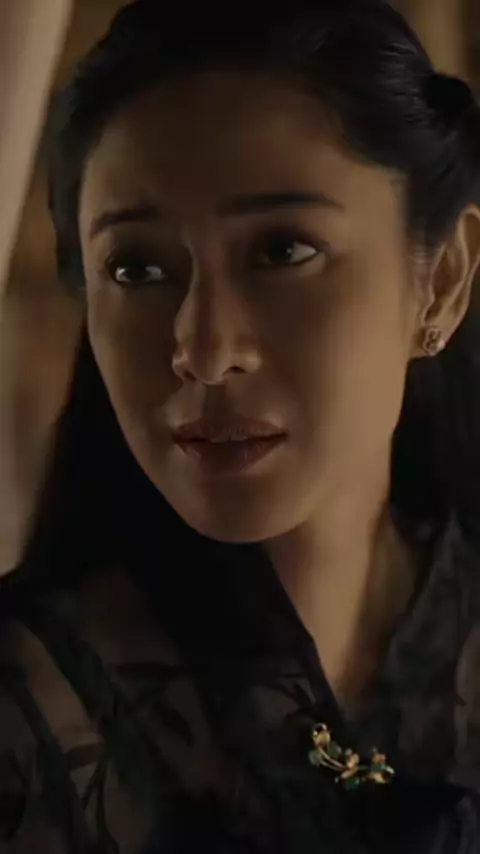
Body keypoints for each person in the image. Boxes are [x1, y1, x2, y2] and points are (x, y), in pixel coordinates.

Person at [2, 0, 480, 850]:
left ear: (440, 280)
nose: (204, 350)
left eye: (283, 250)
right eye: (136, 267)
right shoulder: (28, 718)